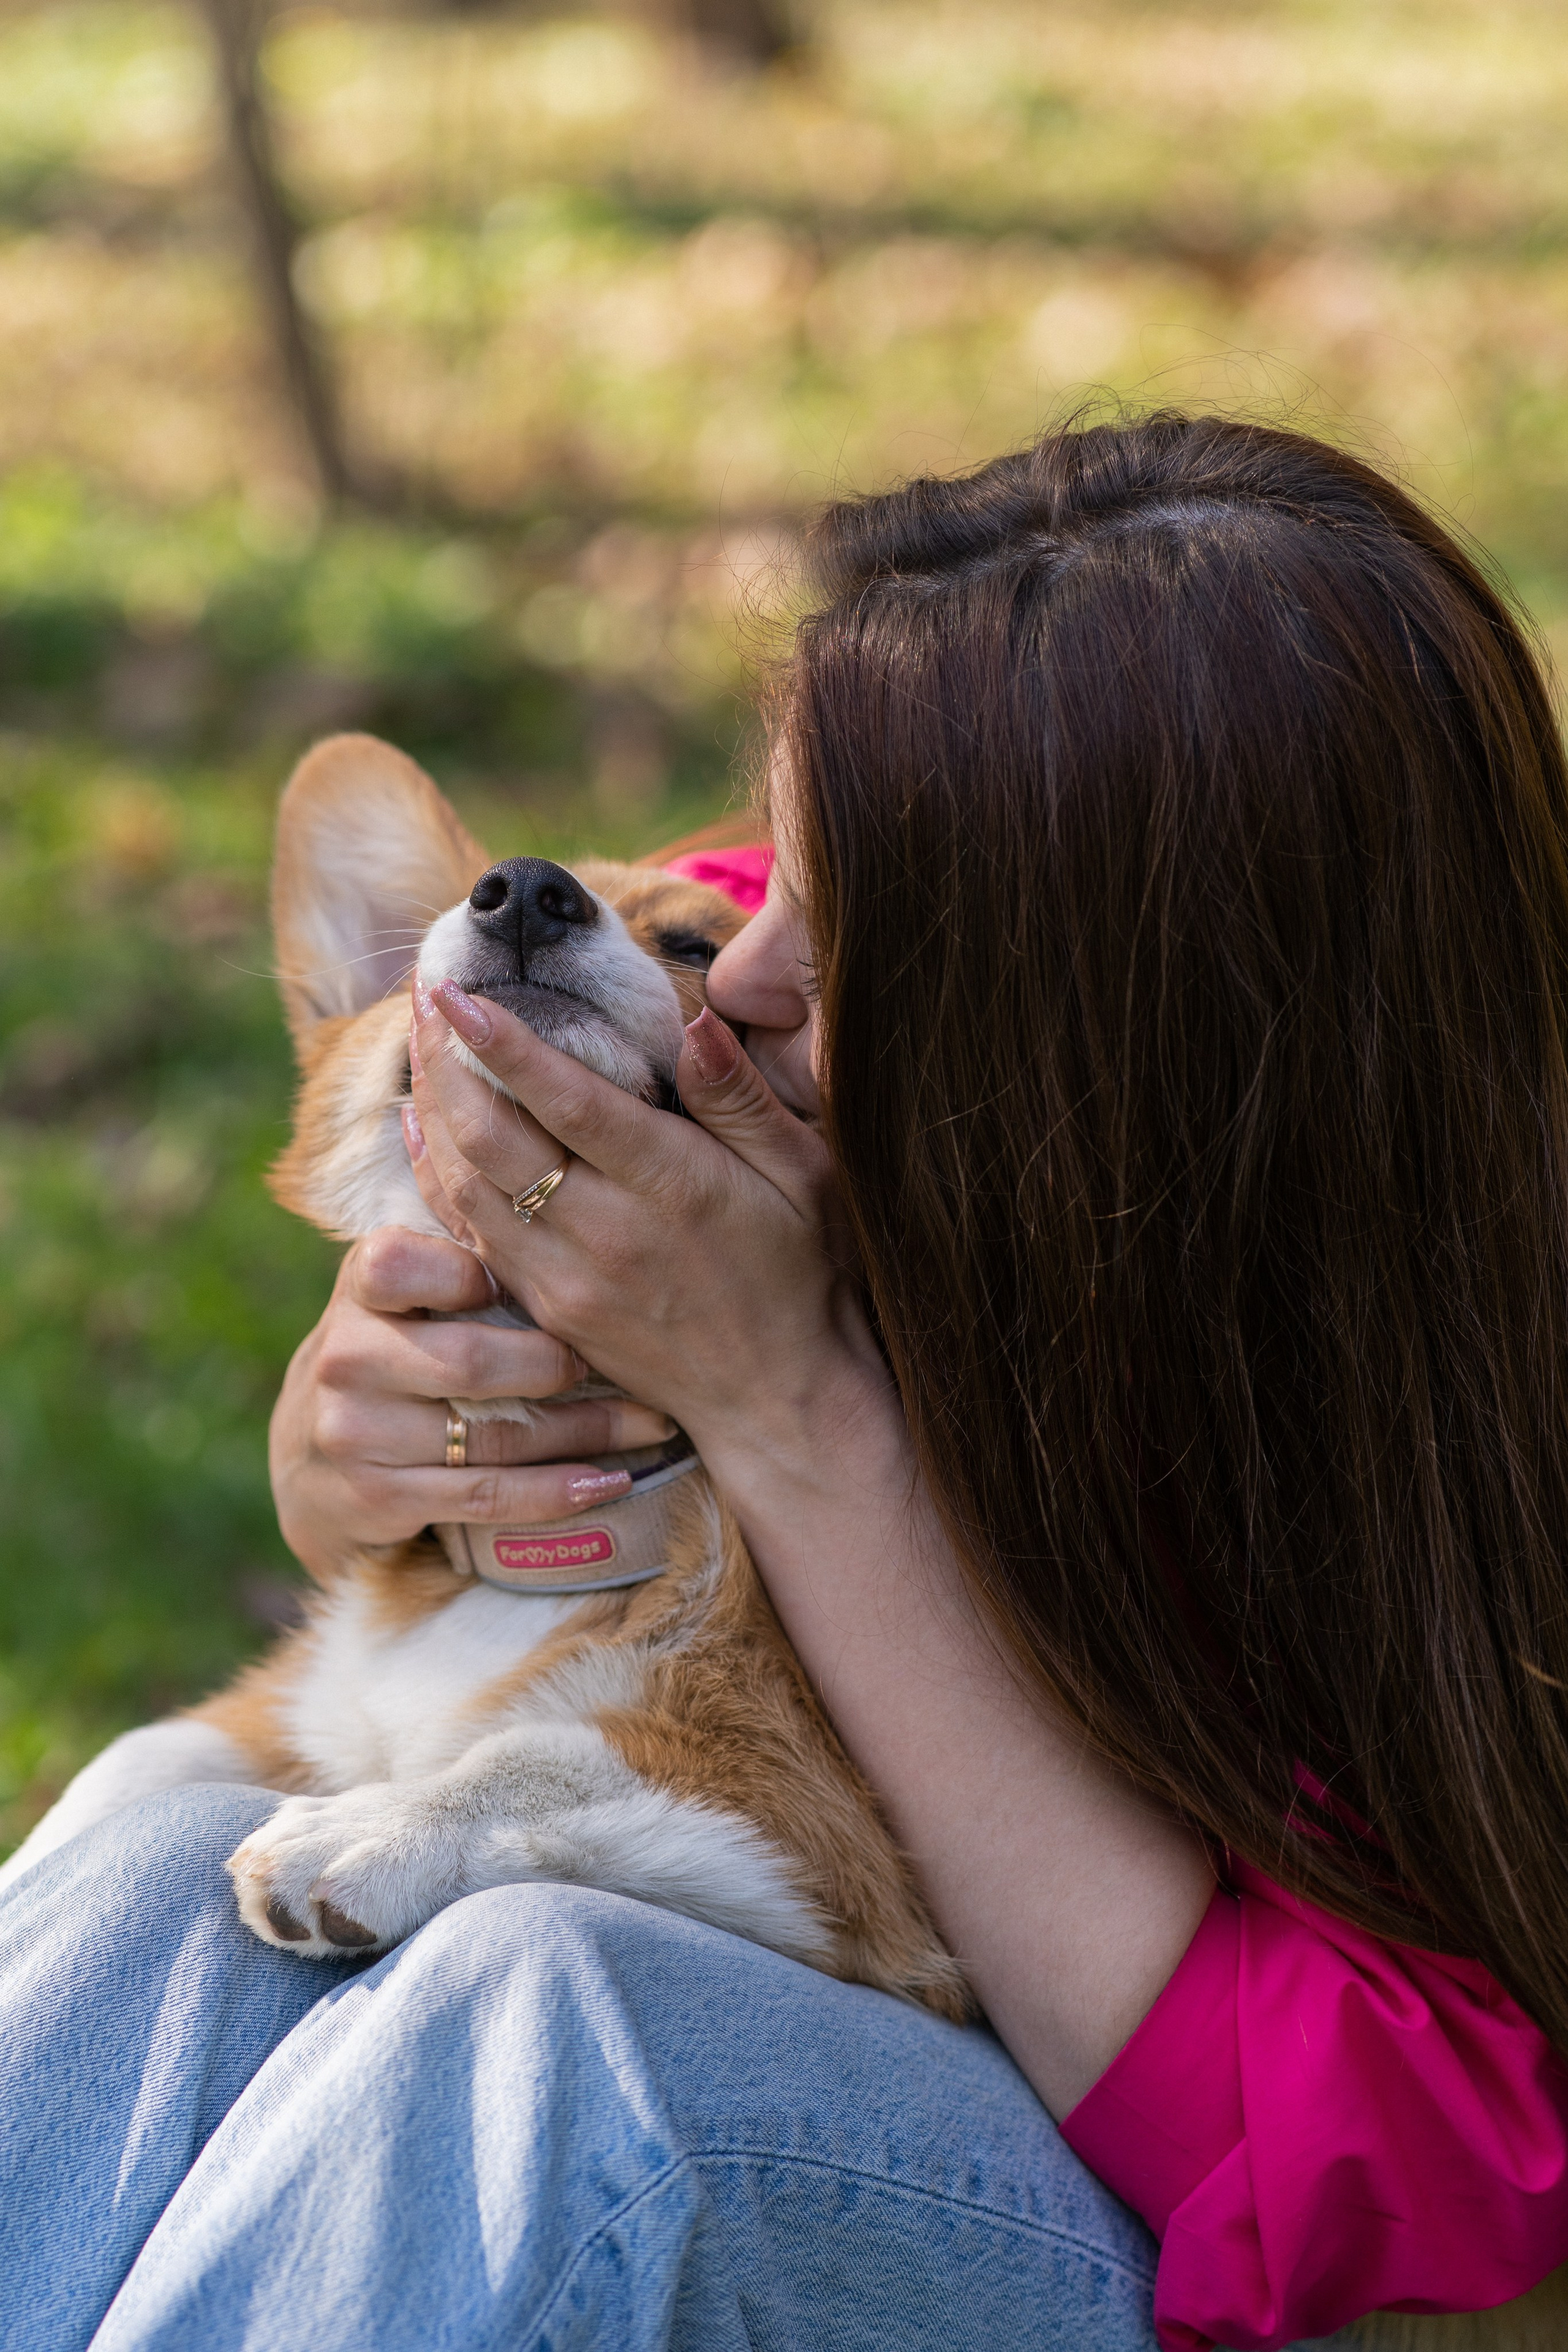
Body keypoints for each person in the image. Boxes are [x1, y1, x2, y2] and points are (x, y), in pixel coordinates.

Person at [6, 412, 1568, 2352]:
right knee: (158, 1875)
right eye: (758, 879)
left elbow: (1378, 2177)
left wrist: (792, 1408)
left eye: (836, 943)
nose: (738, 973)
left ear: (1135, 1072)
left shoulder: (1405, 1430)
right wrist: (359, 1443)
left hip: (1139, 2218)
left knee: (543, 2016)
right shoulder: (816, 988)